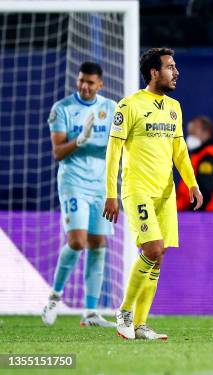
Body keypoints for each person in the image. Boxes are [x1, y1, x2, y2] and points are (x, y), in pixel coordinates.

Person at [103, 47, 203, 340]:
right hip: (138, 190)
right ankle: (124, 312)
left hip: (165, 192)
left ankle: (141, 323)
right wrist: (111, 192)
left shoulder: (174, 107)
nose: (176, 72)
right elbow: (114, 151)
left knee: (158, 258)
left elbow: (179, 150)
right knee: (152, 249)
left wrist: (192, 183)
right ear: (154, 72)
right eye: (170, 67)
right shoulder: (129, 105)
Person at [42, 62, 117, 328]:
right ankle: (54, 296)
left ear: (101, 85)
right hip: (73, 182)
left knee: (98, 244)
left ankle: (90, 312)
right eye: (81, 81)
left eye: (90, 82)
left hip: (101, 185)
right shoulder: (62, 109)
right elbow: (57, 152)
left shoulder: (110, 109)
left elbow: (119, 145)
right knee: (77, 242)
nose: (85, 86)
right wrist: (80, 141)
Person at [176, 116, 213, 211]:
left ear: (206, 133)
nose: (190, 138)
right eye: (189, 134)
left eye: (193, 134)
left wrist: (190, 214)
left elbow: (204, 192)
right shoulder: (200, 155)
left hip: (210, 216)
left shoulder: (208, 157)